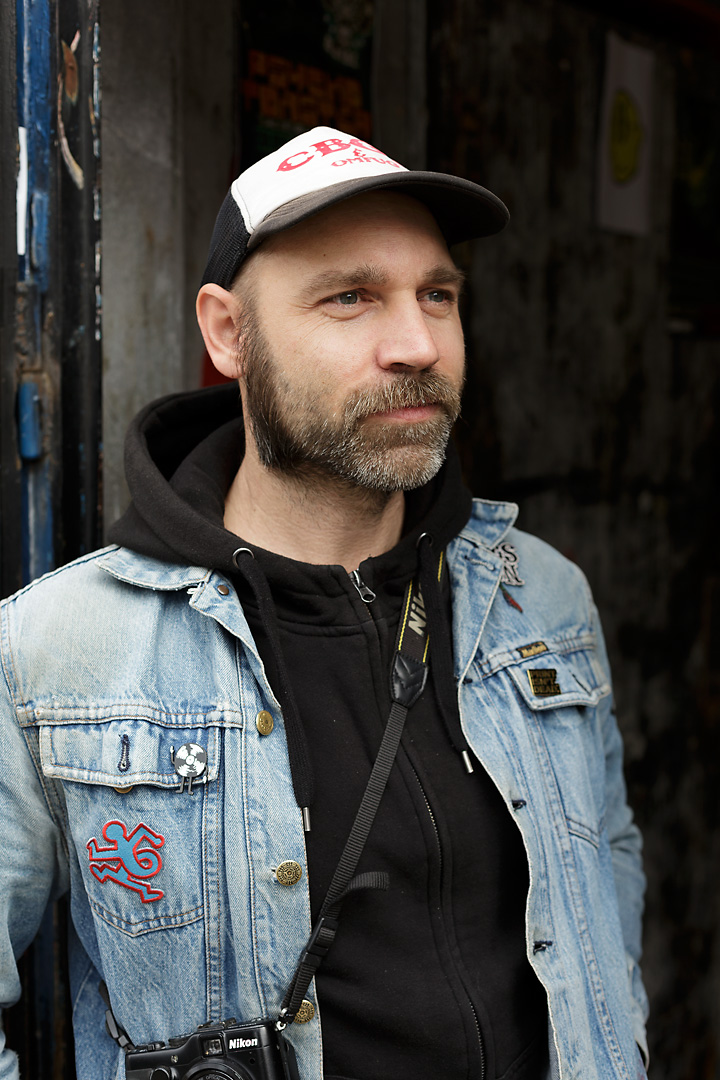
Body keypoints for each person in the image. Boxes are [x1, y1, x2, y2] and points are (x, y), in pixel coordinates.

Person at [0, 127, 648, 1080]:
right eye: (351, 297)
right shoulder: (59, 651)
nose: (418, 344)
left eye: (438, 295)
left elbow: (606, 874)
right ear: (228, 333)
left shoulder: (539, 595)